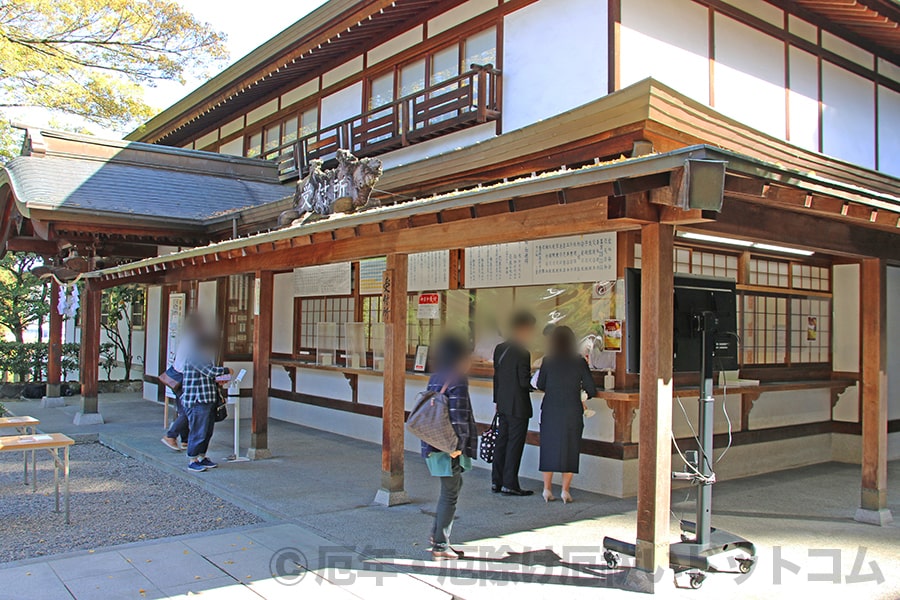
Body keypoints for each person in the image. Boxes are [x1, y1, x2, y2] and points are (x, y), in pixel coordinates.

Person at [423, 334, 478, 560]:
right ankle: (440, 545)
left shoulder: (436, 376)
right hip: (449, 446)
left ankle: (438, 535)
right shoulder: (458, 379)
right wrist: (458, 446)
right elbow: (459, 417)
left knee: (452, 487)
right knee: (450, 492)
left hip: (433, 441)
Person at [536, 325, 597, 503]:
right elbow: (591, 388)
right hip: (572, 410)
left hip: (550, 410)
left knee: (548, 447)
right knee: (570, 447)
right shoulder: (579, 362)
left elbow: (540, 384)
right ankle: (565, 491)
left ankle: (547, 489)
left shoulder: (548, 361)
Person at [491, 310, 537, 496]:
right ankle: (510, 483)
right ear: (523, 328)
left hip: (502, 403)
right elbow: (524, 382)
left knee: (502, 441)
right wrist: (537, 380)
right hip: (518, 406)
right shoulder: (522, 353)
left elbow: (497, 378)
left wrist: (496, 400)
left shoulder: (500, 349)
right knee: (514, 444)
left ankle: (497, 481)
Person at [181, 331, 230, 472]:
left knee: (207, 431)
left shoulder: (202, 355)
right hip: (197, 400)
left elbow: (207, 375)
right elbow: (209, 371)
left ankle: (202, 456)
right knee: (198, 431)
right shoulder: (195, 356)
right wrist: (226, 370)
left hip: (206, 398)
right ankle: (192, 458)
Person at [161, 314, 204, 451]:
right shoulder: (194, 339)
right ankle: (171, 435)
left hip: (176, 377)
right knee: (188, 410)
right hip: (184, 378)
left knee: (182, 409)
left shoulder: (187, 338)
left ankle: (185, 440)